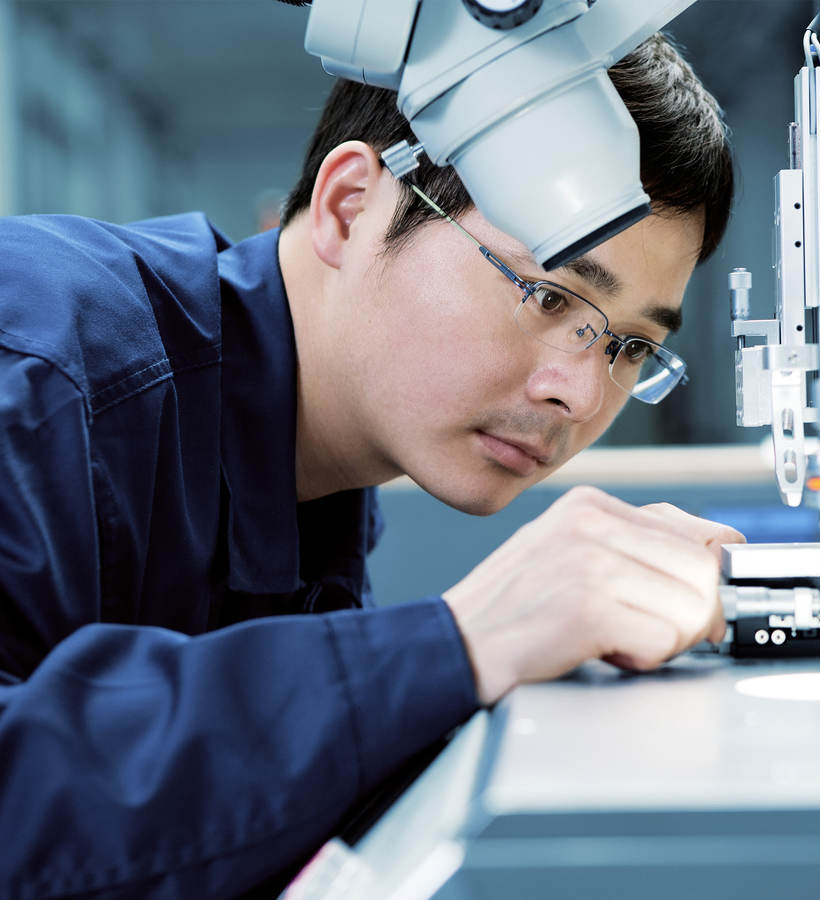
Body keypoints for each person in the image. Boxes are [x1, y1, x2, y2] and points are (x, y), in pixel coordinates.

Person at [0, 33, 739, 898]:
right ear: (352, 206)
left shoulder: (317, 482)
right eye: (544, 294)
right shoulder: (42, 362)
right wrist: (465, 640)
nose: (579, 394)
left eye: (631, 347)